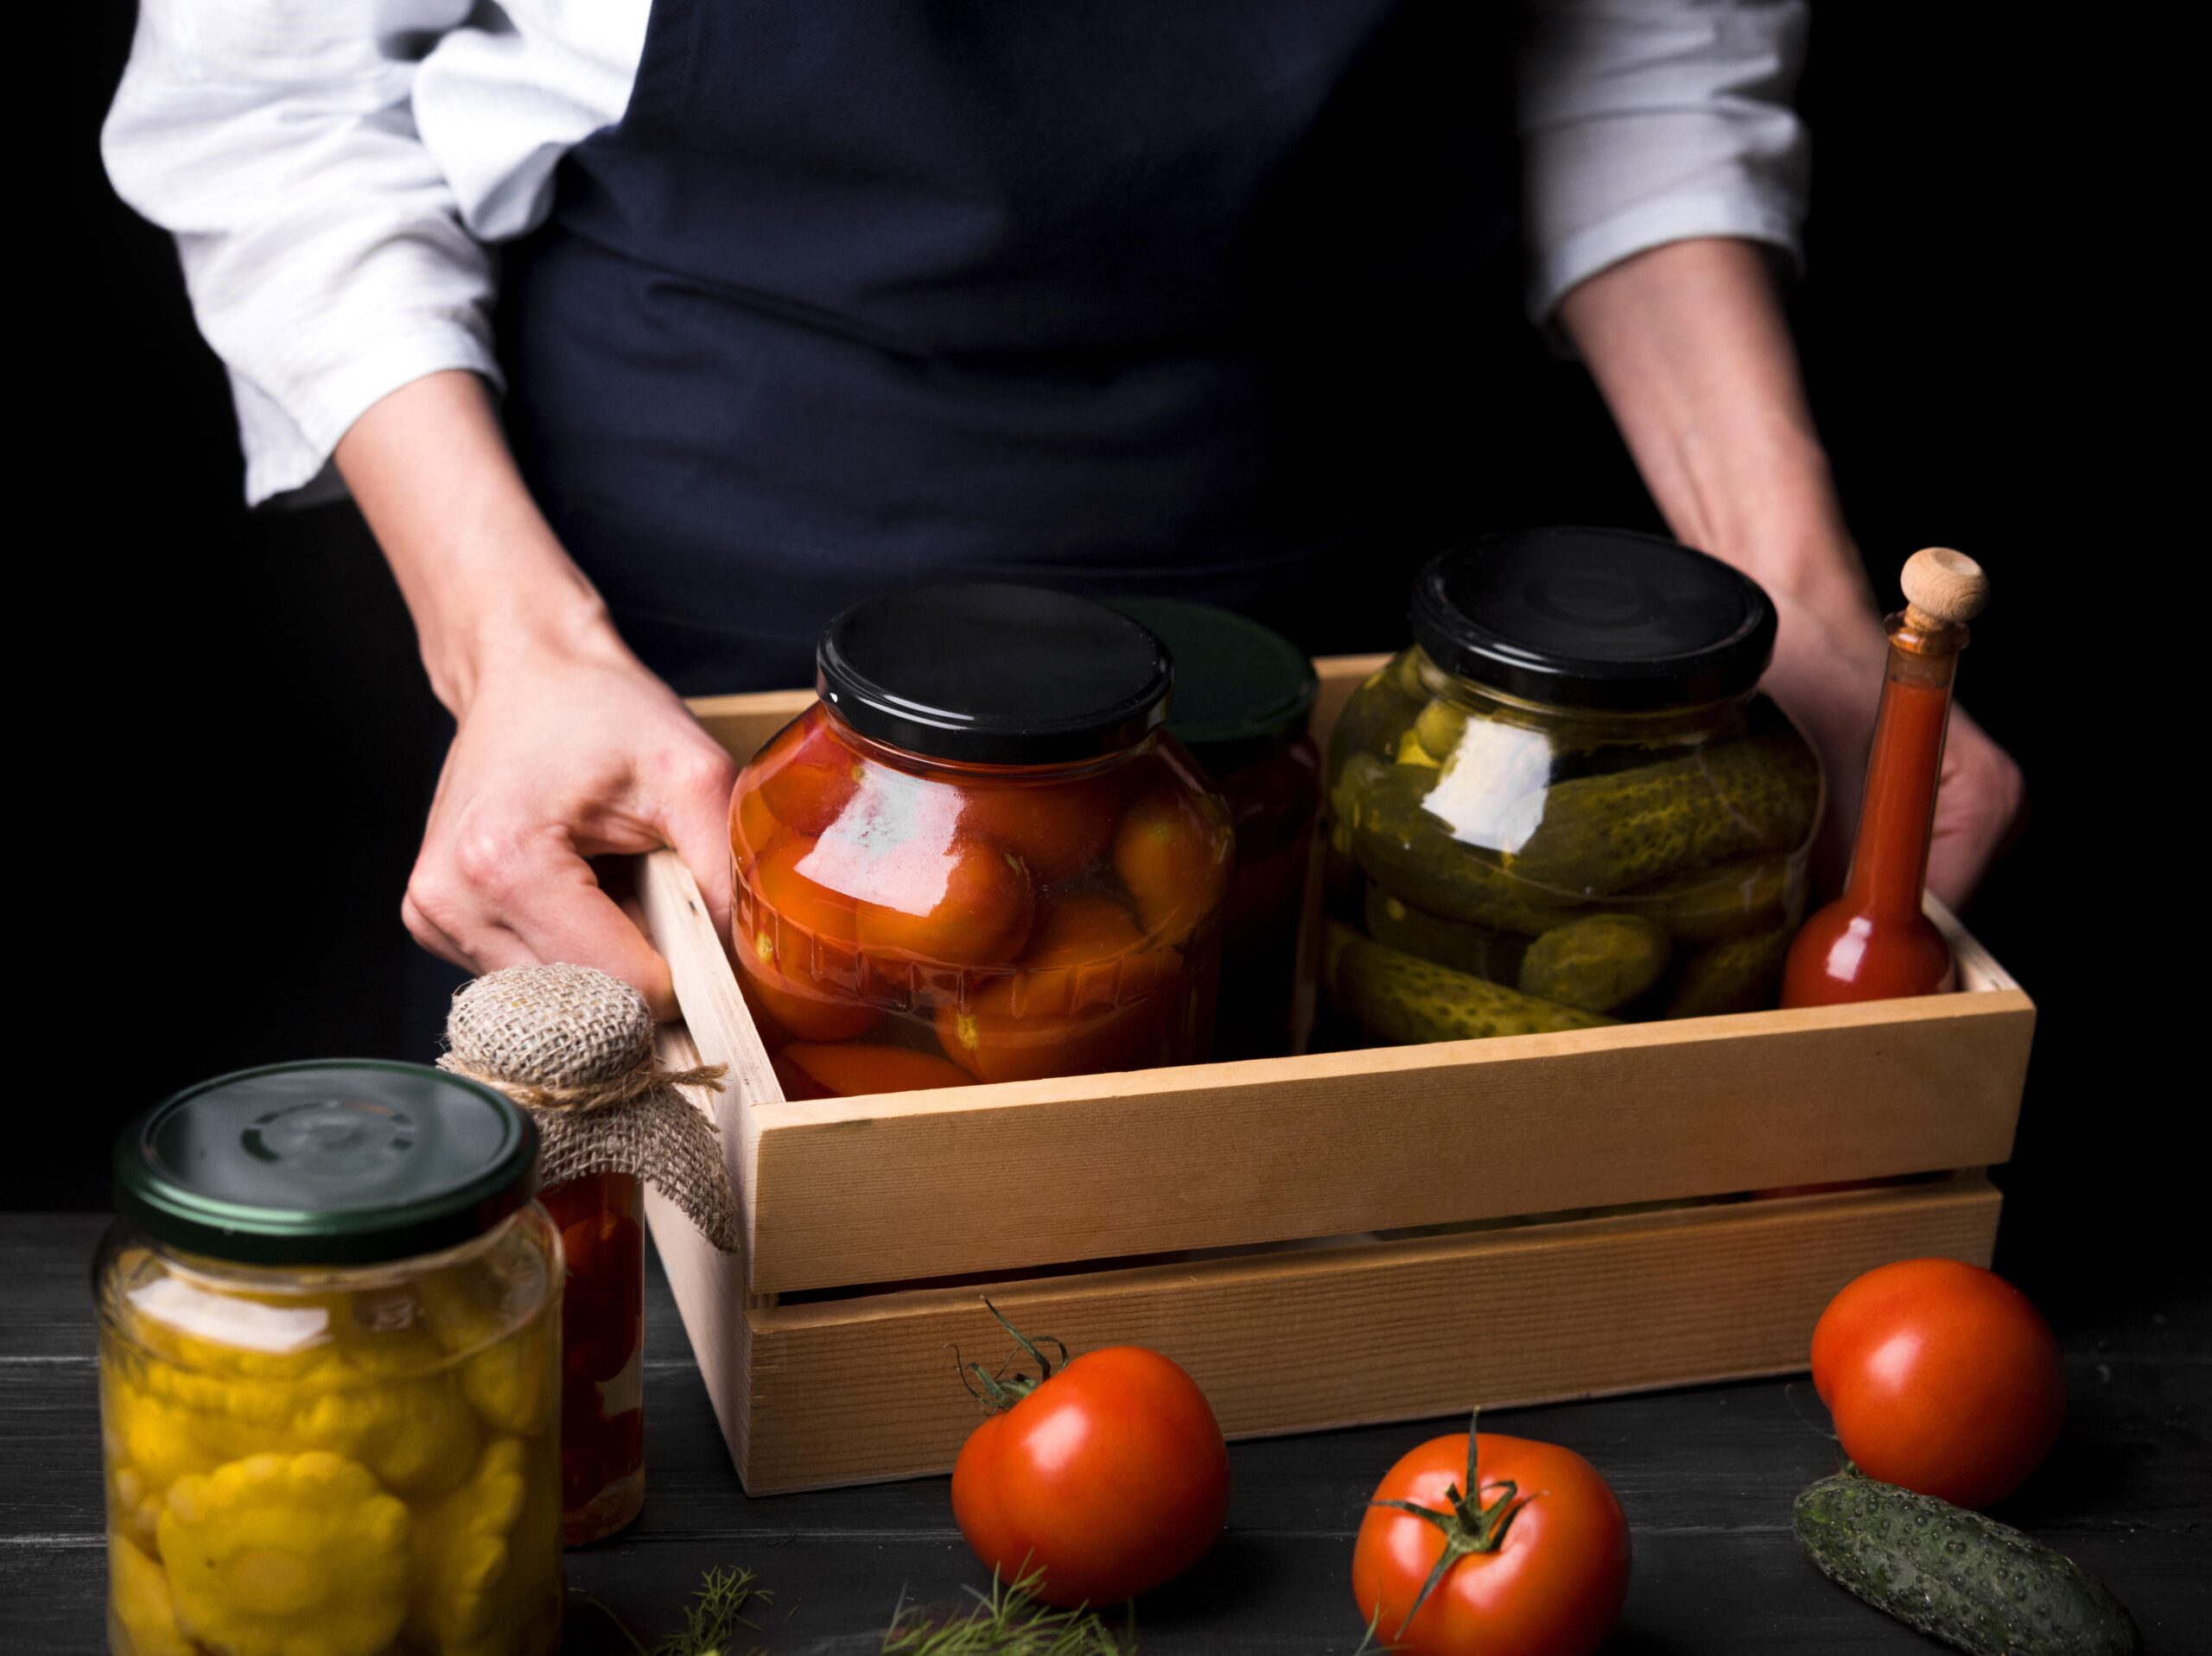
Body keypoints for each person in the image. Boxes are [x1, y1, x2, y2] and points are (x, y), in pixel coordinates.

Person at [105, 0, 2021, 1019]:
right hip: (698, 650)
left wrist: (1797, 606)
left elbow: (1634, 38)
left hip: (1347, 643)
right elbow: (268, 108)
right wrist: (512, 652)